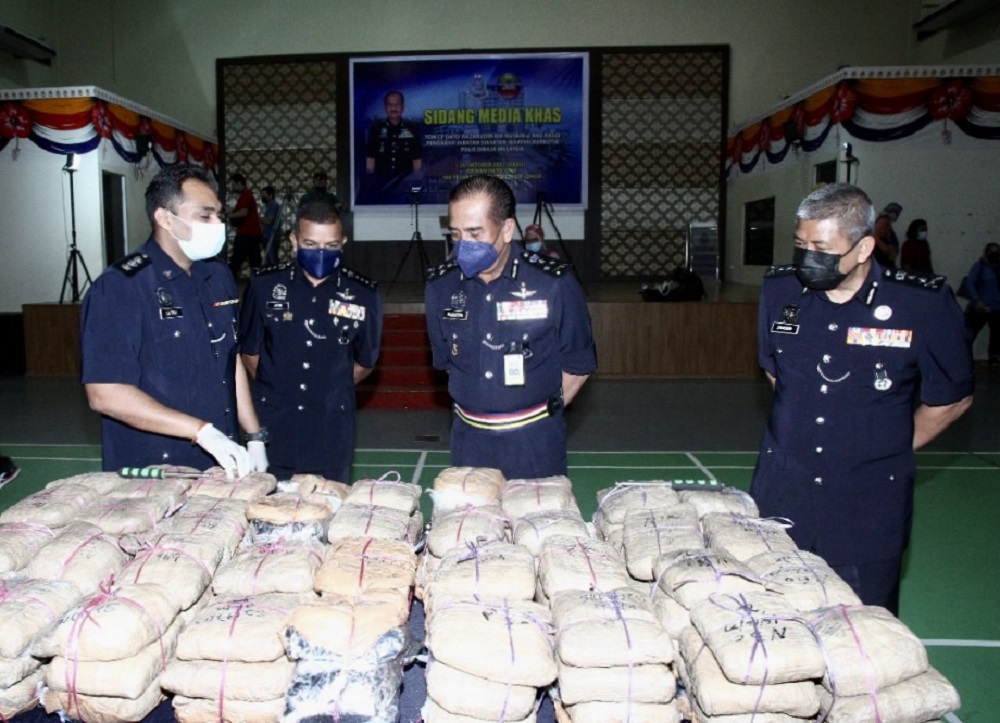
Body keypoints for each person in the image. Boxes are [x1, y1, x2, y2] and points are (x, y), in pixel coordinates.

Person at [750, 183, 973, 615]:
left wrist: (885, 448)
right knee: (778, 622)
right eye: (800, 244)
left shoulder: (919, 303)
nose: (807, 257)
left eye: (821, 247)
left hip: (867, 505)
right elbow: (775, 371)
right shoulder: (780, 291)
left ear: (864, 246)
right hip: (783, 492)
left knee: (864, 629)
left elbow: (952, 397)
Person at [80, 164, 268, 479]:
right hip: (155, 470)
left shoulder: (217, 277)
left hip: (224, 462)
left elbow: (230, 358)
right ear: (166, 218)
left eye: (219, 215)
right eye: (205, 216)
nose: (218, 224)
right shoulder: (121, 286)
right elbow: (106, 393)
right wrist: (202, 432)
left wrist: (254, 435)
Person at [425, 175, 597, 479]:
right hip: (469, 443)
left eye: (476, 233)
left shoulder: (553, 283)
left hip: (535, 445)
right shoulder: (440, 286)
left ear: (506, 229)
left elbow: (578, 365)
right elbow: (448, 364)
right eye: (455, 234)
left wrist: (531, 415)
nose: (464, 245)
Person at [239, 197, 382, 483]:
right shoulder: (265, 286)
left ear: (343, 242)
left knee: (329, 515)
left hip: (330, 430)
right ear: (293, 241)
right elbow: (250, 355)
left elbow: (364, 363)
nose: (320, 253)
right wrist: (282, 386)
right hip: (274, 425)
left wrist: (325, 386)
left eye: (330, 246)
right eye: (310, 244)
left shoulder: (363, 294)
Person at [365, 90, 422, 199]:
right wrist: (370, 182)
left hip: (405, 183)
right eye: (390, 104)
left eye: (397, 104)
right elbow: (370, 159)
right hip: (381, 183)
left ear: (403, 106)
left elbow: (416, 159)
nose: (393, 108)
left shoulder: (411, 128)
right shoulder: (376, 129)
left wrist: (416, 182)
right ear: (385, 107)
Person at [963, 242, 1000, 370]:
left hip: (996, 307)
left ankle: (994, 359)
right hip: (979, 307)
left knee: (996, 335)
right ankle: (963, 358)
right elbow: (970, 283)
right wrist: (977, 299)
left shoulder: (998, 269)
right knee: (970, 333)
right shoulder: (979, 267)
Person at [226, 173, 263, 279]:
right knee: (255, 262)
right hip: (252, 234)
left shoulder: (246, 195)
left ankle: (230, 287)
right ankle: (258, 285)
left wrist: (227, 215)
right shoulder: (246, 196)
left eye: (233, 184)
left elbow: (243, 213)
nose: (232, 187)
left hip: (246, 234)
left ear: (239, 183)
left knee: (236, 261)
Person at [872, 201, 902, 269]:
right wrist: (885, 249)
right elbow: (875, 236)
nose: (897, 216)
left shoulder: (887, 223)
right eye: (896, 214)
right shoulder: (883, 221)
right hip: (882, 259)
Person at [260, 185, 281, 266]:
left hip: (271, 237)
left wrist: (257, 218)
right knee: (268, 260)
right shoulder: (268, 207)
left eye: (264, 195)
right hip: (266, 236)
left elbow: (269, 220)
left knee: (272, 260)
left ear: (270, 195)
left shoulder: (274, 206)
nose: (263, 197)